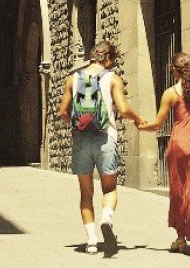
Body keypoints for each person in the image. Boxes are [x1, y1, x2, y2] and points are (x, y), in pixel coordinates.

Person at [59, 40, 146, 256]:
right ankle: (106, 218)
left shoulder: (73, 78)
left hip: (81, 140)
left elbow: (62, 111)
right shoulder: (112, 78)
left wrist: (76, 124)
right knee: (109, 188)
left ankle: (90, 241)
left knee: (86, 192)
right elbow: (124, 109)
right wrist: (138, 119)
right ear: (107, 58)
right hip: (106, 137)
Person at [137, 52, 190, 262]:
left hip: (178, 144)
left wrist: (140, 125)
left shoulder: (171, 93)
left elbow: (157, 124)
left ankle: (181, 239)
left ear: (174, 71)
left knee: (179, 191)